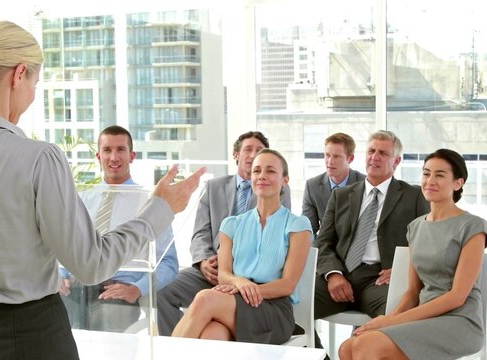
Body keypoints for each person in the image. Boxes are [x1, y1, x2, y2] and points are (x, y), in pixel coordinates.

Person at [0, 20, 204, 359]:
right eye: (35, 84)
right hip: (34, 338)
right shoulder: (39, 158)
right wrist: (159, 208)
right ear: (19, 74)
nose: (31, 96)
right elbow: (90, 263)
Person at [339, 149, 487, 360]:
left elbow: (457, 297)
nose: (430, 180)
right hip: (422, 315)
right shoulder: (415, 227)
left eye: (440, 175)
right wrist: (387, 318)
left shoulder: (472, 226)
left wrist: (390, 322)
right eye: (426, 173)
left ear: (458, 183)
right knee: (347, 347)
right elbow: (413, 292)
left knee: (368, 346)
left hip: (459, 320)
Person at [157, 131, 292, 336]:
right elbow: (200, 233)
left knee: (211, 316)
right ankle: (185, 340)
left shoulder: (273, 190)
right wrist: (203, 262)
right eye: (248, 149)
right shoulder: (213, 187)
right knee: (162, 291)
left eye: (259, 151)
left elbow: (276, 236)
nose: (253, 154)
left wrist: (232, 274)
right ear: (236, 155)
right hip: (210, 271)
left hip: (250, 276)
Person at [171, 149, 311, 344]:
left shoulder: (298, 225)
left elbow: (287, 285)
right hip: (236, 300)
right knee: (213, 335)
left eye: (270, 171)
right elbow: (224, 275)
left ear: (285, 180)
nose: (262, 176)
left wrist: (245, 289)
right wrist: (240, 283)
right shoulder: (231, 224)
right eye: (256, 171)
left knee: (205, 298)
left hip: (273, 310)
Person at [313, 130, 430, 354]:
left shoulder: (414, 196)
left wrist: (402, 268)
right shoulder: (341, 196)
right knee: (287, 306)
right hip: (341, 274)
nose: (375, 157)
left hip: (380, 280)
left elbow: (427, 243)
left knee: (400, 318)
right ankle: (320, 357)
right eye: (371, 151)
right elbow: (322, 242)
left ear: (396, 161)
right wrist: (333, 274)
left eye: (383, 153)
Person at [58, 125, 179, 332]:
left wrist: (137, 289)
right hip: (77, 286)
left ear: (132, 156)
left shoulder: (149, 203)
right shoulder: (84, 199)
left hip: (118, 290)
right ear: (98, 156)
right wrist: (61, 275)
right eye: (107, 150)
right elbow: (67, 246)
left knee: (104, 341)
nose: (114, 157)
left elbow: (169, 263)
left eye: (120, 150)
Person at [302, 132, 366, 237]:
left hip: (356, 248)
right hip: (325, 248)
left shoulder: (364, 184)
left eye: (336, 156)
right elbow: (308, 229)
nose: (330, 162)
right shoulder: (312, 186)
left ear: (350, 158)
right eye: (327, 155)